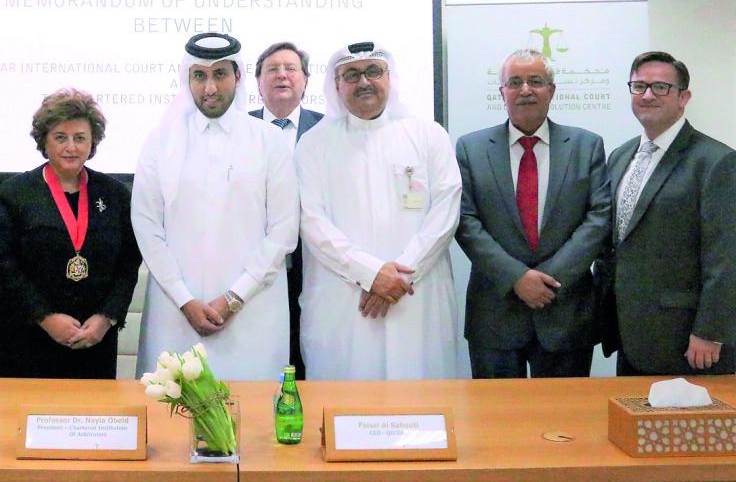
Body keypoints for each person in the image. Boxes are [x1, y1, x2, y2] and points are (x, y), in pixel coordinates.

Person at [132, 32, 298, 380]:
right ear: (187, 79)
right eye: (200, 76)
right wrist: (184, 300)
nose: (210, 87)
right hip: (175, 313)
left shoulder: (268, 140)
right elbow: (147, 227)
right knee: (173, 407)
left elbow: (283, 231)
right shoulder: (160, 141)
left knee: (251, 408)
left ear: (237, 76)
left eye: (220, 74)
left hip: (253, 311)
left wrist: (235, 297)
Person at [296, 40, 460, 380]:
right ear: (336, 85)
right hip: (345, 298)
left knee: (420, 393)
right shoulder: (313, 144)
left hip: (415, 295)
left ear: (389, 77)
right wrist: (370, 273)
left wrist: (399, 276)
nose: (364, 82)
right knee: (345, 394)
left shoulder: (428, 135)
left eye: (373, 71)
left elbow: (445, 212)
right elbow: (311, 221)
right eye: (351, 75)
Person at [455, 49, 610, 378]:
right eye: (514, 82)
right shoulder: (471, 148)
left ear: (551, 90)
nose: (525, 90)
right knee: (496, 411)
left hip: (564, 311)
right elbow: (465, 222)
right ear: (502, 93)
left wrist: (548, 280)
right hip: (494, 314)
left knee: (564, 411)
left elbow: (598, 219)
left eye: (535, 81)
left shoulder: (586, 145)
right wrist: (517, 278)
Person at [596, 51, 736, 376]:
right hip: (629, 333)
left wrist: (710, 331)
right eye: (639, 86)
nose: (647, 95)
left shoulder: (716, 161)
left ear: (683, 97)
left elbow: (726, 255)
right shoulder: (620, 156)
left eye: (660, 87)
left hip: (689, 339)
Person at [0, 89, 142, 379]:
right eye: (60, 137)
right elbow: (4, 264)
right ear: (44, 141)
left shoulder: (115, 194)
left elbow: (128, 262)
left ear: (92, 142)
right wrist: (45, 318)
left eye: (80, 137)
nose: (71, 147)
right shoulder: (15, 193)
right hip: (27, 336)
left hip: (93, 338)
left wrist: (107, 317)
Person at [248, 40, 323, 379]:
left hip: (315, 262)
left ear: (305, 81)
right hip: (254, 261)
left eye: (291, 69)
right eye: (272, 69)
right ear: (257, 82)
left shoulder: (327, 129)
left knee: (309, 348)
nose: (282, 75)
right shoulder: (240, 129)